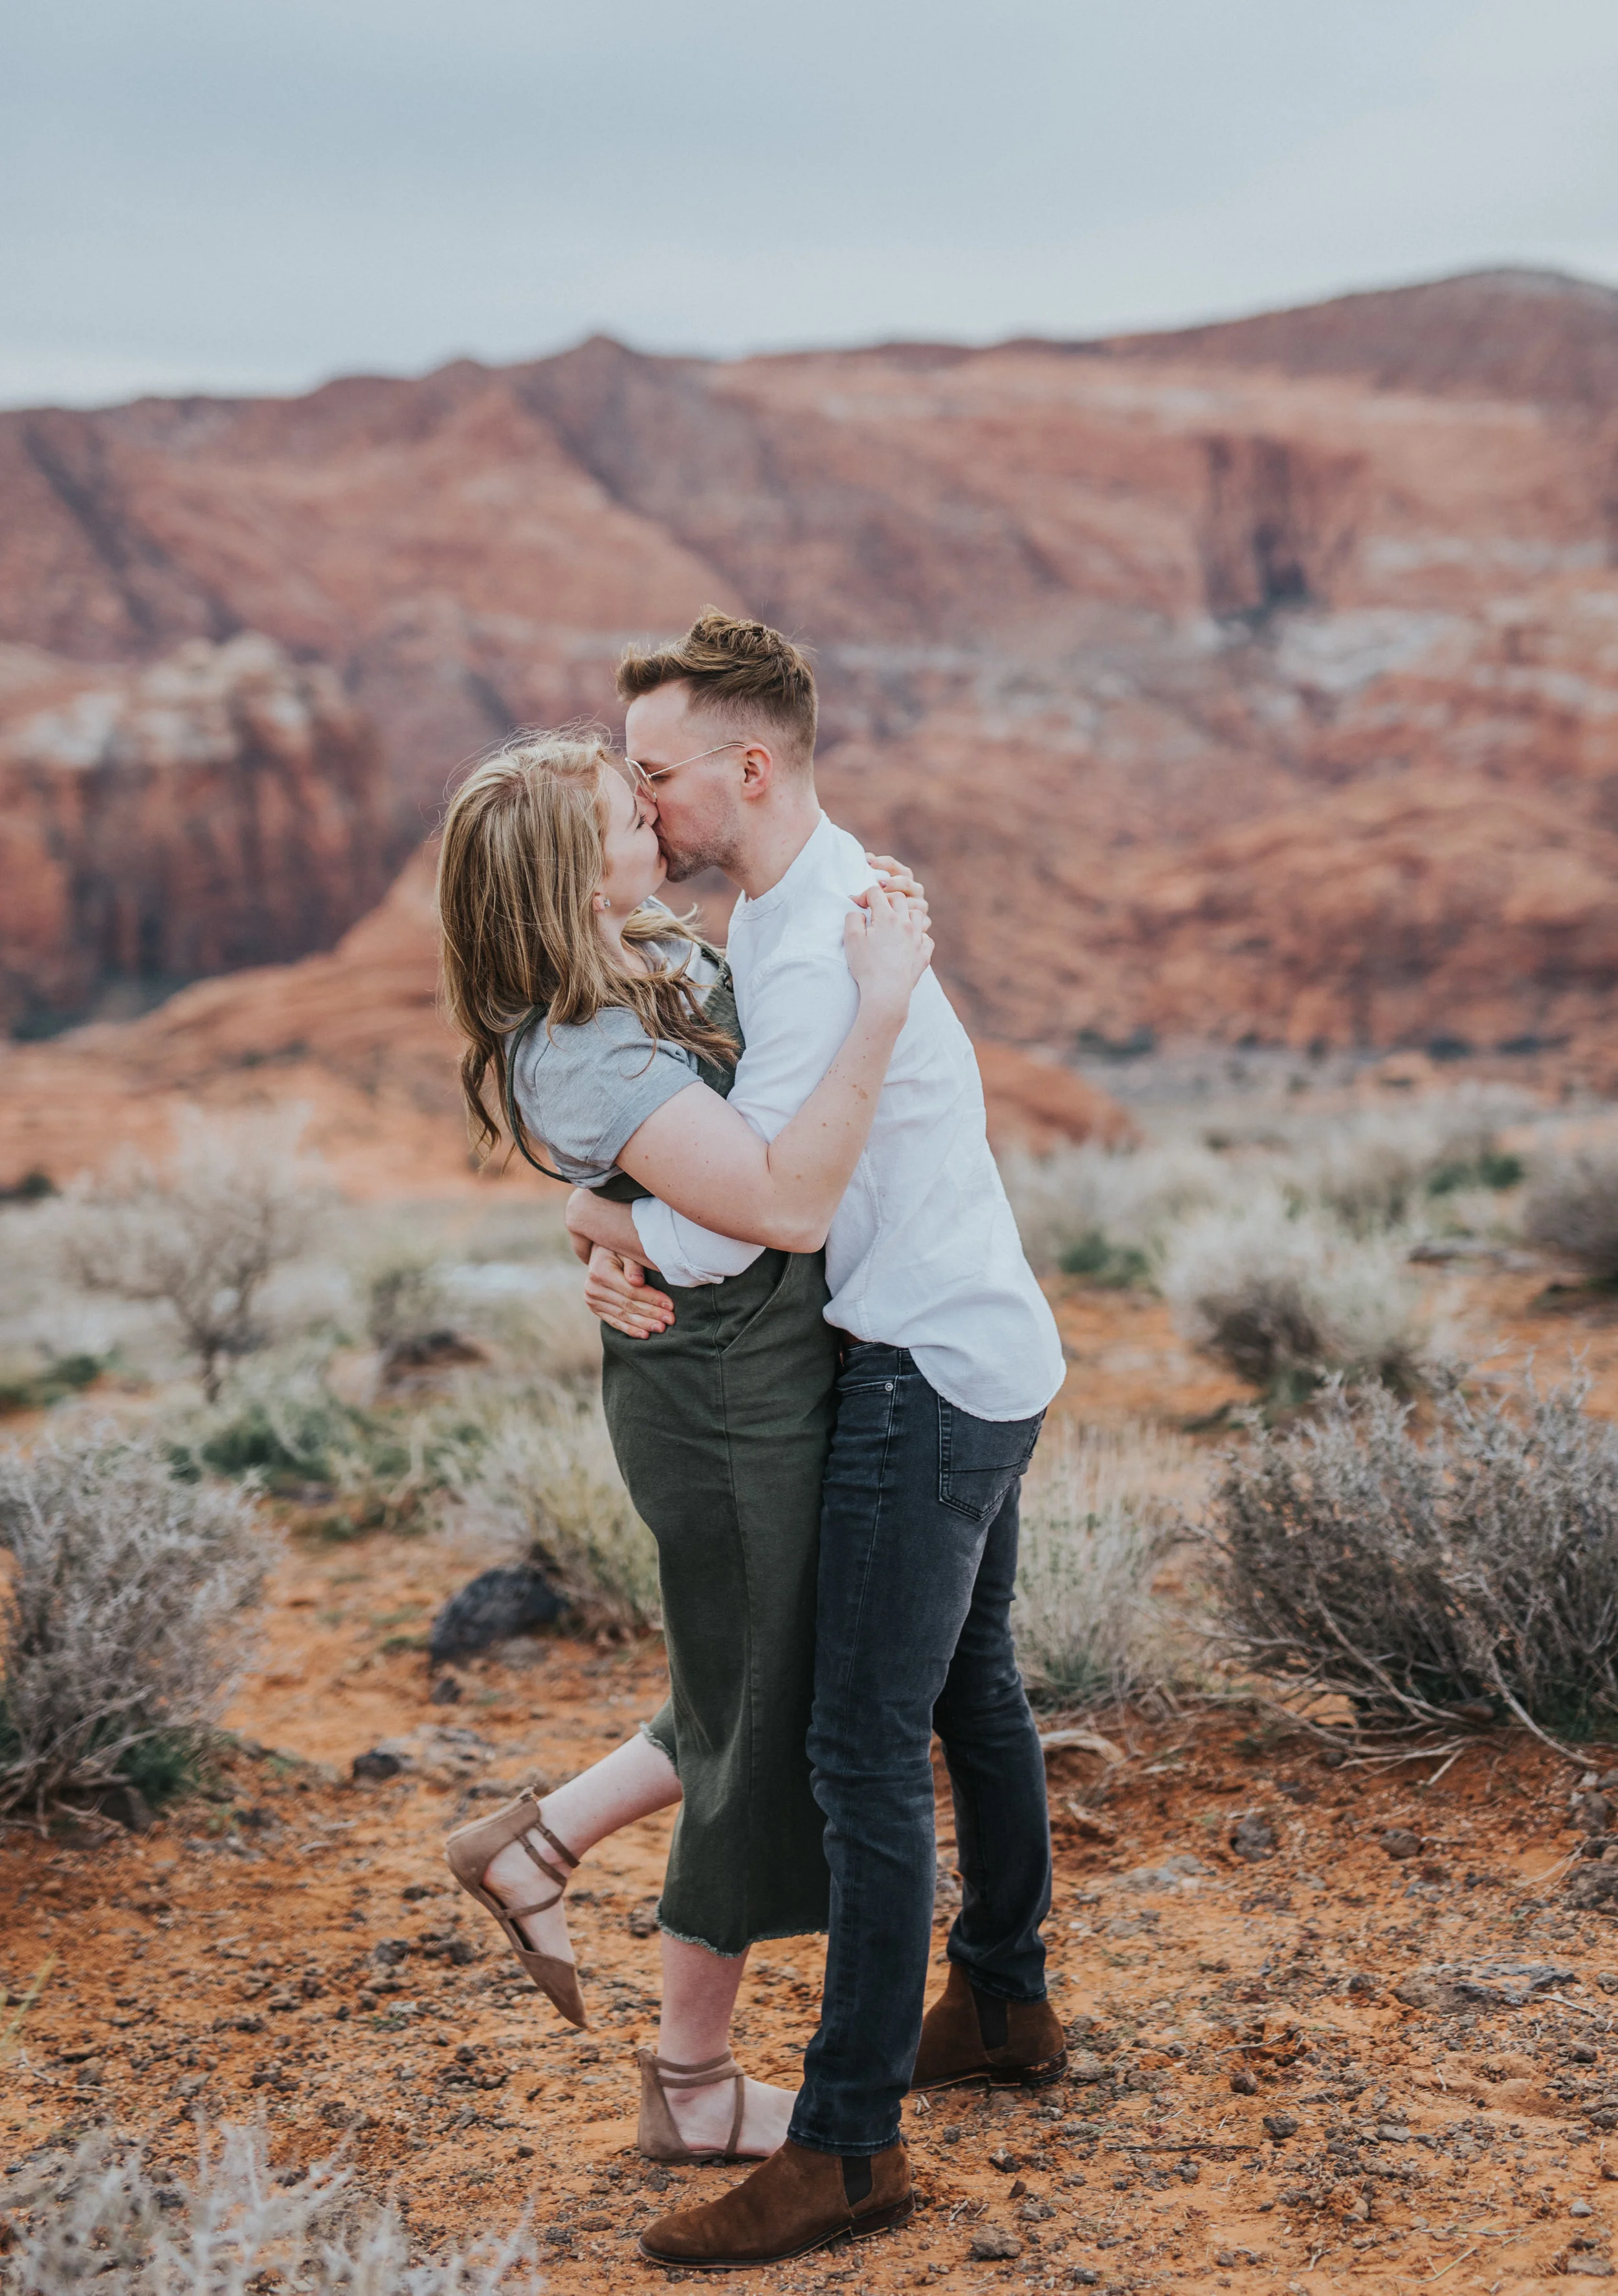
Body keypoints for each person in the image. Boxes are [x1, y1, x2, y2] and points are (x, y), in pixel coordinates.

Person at [568, 611, 1069, 2268]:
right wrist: (606, 1198)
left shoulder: (806, 955)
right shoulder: (824, 904)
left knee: (861, 1749)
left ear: (748, 767)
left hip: (921, 1372)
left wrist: (617, 1222)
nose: (643, 808)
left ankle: (846, 2145)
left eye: (656, 776)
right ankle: (1000, 2001)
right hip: (986, 1341)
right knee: (965, 1691)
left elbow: (743, 1235)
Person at [434, 728, 931, 2164]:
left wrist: (602, 1226)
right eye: (618, 811)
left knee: (744, 1688)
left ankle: (531, 1846)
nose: (649, 812)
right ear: (562, 873)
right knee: (752, 1718)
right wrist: (882, 1008)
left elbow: (670, 1183)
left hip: (756, 1367)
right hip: (715, 1400)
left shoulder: (645, 952)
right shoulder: (583, 1046)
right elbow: (778, 1202)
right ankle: (690, 2084)